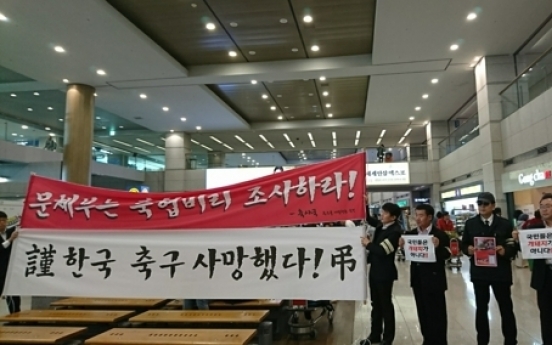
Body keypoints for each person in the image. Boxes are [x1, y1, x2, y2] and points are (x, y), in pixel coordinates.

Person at [461, 192, 517, 345]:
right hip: (480, 273)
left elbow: (512, 245)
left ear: (493, 206)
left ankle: (511, 340)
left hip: (500, 272)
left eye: (485, 204)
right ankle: (482, 340)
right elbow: (464, 243)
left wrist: (505, 251)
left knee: (506, 307)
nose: (482, 207)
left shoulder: (504, 224)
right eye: (479, 204)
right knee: (481, 308)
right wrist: (468, 249)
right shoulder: (470, 224)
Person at [400, 204, 450, 345]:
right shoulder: (411, 235)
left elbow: (447, 255)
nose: (418, 218)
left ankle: (440, 341)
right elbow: (409, 254)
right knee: (423, 313)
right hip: (418, 280)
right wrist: (402, 247)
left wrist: (438, 246)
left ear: (429, 217)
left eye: (421, 215)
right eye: (416, 215)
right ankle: (427, 340)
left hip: (434, 280)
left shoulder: (439, 235)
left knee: (437, 314)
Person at [361, 203, 402, 345]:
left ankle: (388, 338)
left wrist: (368, 244)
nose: (381, 215)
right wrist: (364, 203)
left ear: (393, 217)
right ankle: (375, 335)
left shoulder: (395, 231)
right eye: (382, 212)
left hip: (385, 274)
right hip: (375, 271)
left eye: (385, 213)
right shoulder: (382, 225)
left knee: (385, 306)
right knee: (376, 305)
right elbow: (368, 218)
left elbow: (383, 250)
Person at [513, 193, 552, 345]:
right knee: (546, 315)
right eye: (542, 207)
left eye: (548, 206)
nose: (544, 210)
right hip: (544, 277)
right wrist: (517, 240)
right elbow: (524, 248)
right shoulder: (534, 228)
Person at [0, 211, 20, 314]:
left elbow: (20, 227)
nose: (3, 223)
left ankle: (15, 316)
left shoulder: (9, 232)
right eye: (1, 220)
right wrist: (10, 239)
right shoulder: (10, 236)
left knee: (13, 295)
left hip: (10, 271)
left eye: (4, 220)